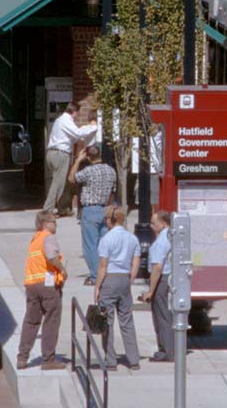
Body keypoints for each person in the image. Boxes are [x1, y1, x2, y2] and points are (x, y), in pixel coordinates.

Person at [17, 211, 68, 370]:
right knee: (51, 321)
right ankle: (48, 359)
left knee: (31, 321)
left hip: (32, 285)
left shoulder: (35, 239)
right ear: (46, 224)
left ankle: (22, 357)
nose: (56, 225)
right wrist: (62, 269)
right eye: (54, 222)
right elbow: (51, 257)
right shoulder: (48, 237)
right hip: (47, 286)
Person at [94, 205, 140, 370]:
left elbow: (102, 266)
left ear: (111, 220)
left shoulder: (106, 239)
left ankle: (111, 360)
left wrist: (97, 286)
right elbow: (136, 262)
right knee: (126, 319)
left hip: (110, 278)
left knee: (108, 320)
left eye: (107, 218)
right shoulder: (132, 238)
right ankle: (134, 359)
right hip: (125, 278)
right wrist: (130, 279)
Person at [68, 145, 116, 285]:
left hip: (90, 210)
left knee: (90, 246)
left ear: (88, 157)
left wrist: (78, 161)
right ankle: (105, 273)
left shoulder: (88, 171)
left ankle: (96, 276)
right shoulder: (110, 170)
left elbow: (71, 179)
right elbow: (113, 190)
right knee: (103, 246)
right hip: (105, 209)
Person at [42, 104, 97, 215]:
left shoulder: (59, 120)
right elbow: (77, 133)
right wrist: (94, 127)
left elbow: (75, 137)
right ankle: (47, 210)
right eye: (78, 113)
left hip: (52, 153)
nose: (78, 116)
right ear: (75, 111)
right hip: (60, 154)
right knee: (58, 183)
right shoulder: (66, 120)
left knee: (61, 182)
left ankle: (63, 209)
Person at [139, 211, 173, 362]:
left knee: (161, 316)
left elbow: (157, 268)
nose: (151, 226)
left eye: (153, 223)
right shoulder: (169, 236)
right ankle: (167, 348)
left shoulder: (161, 242)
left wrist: (150, 291)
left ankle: (167, 350)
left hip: (161, 281)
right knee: (163, 314)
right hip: (166, 279)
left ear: (162, 223)